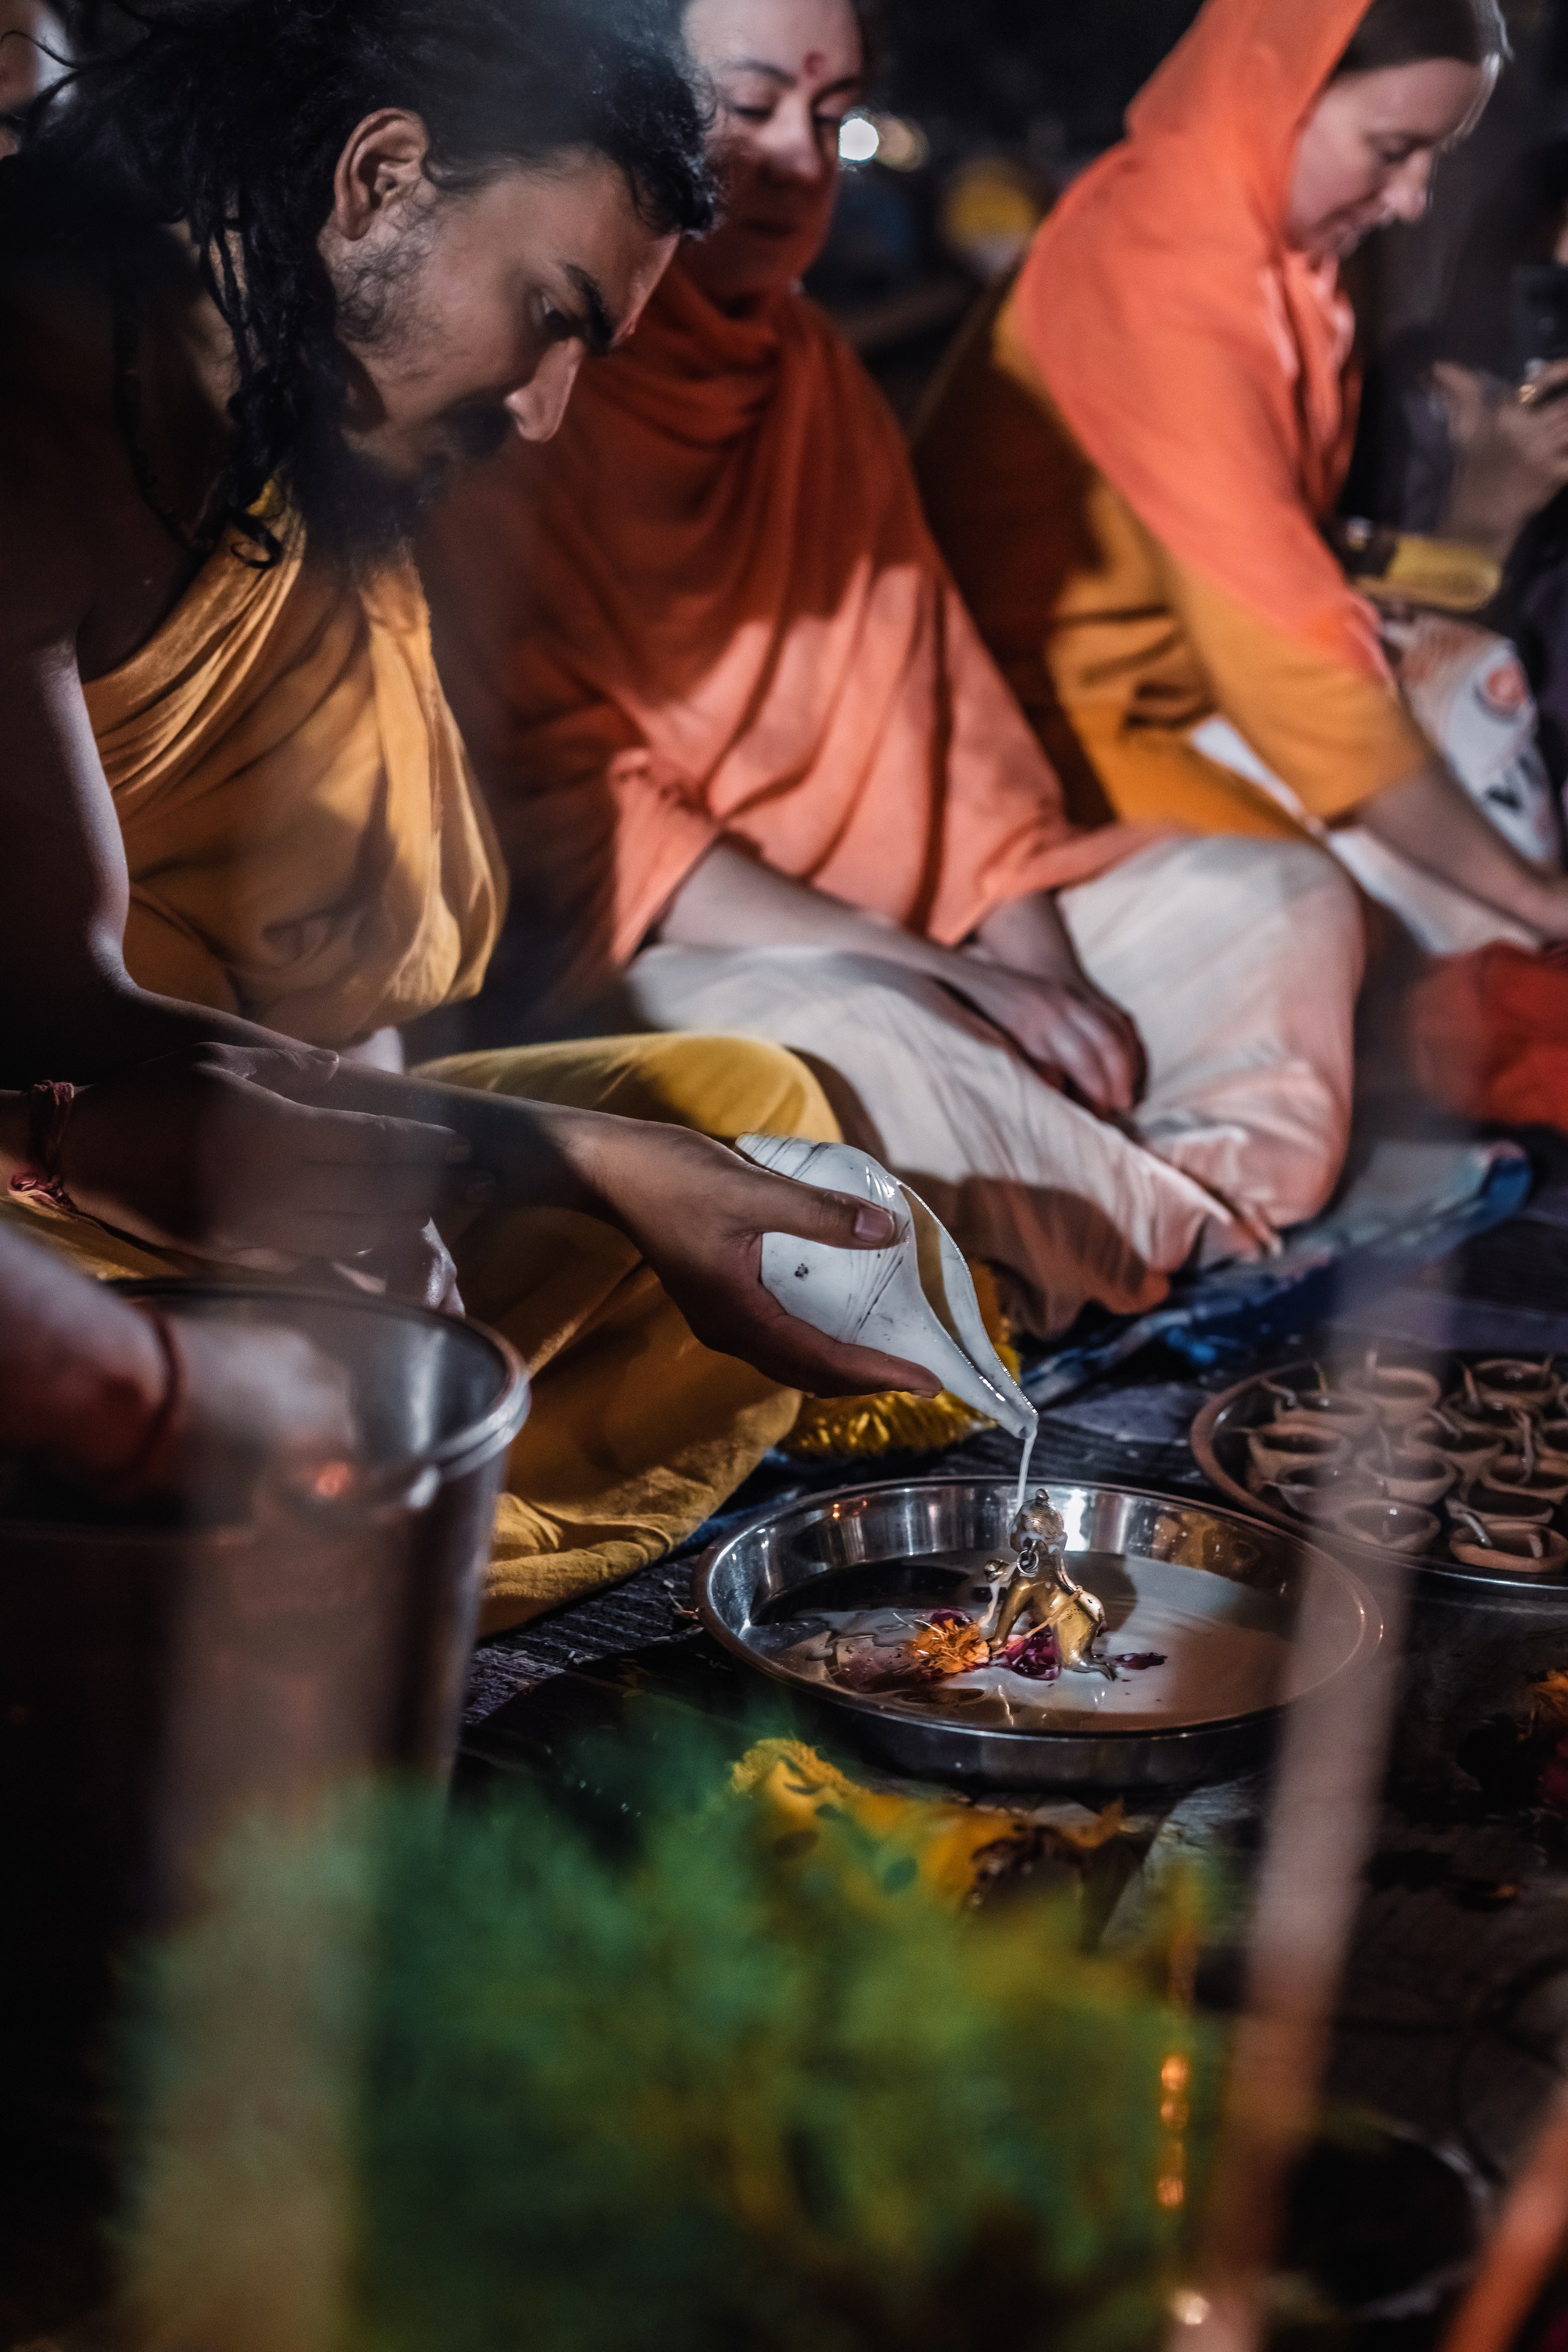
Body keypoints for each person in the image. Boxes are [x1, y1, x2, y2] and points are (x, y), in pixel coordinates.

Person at [0, 0, 940, 1634]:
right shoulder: (34, 420)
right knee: (618, 1189)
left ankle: (333, 1529)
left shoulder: (298, 445)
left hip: (233, 1152)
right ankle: (272, 1559)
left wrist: (422, 1188)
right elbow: (62, 1032)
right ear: (378, 179)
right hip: (65, 1212)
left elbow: (354, 995)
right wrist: (556, 1157)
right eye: (550, 312)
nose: (545, 410)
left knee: (742, 1104)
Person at [418, 0, 1365, 1346]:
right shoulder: (521, 374)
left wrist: (1044, 982)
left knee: (1269, 903)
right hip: (648, 954)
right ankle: (1164, 1232)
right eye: (745, 110)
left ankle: (1094, 1226)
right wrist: (933, 973)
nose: (797, 162)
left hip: (902, 915)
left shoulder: (807, 371)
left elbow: (951, 730)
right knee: (842, 1044)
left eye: (831, 114)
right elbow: (573, 822)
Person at [914, 0, 1568, 956]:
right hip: (1034, 722)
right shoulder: (1166, 274)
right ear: (1273, 90)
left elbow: (1293, 572)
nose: (1414, 198)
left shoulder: (1276, 265)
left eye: (1436, 155)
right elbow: (1286, 664)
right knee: (1361, 933)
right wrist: (1541, 899)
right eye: (1392, 148)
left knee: (1463, 784)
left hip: (1172, 698)